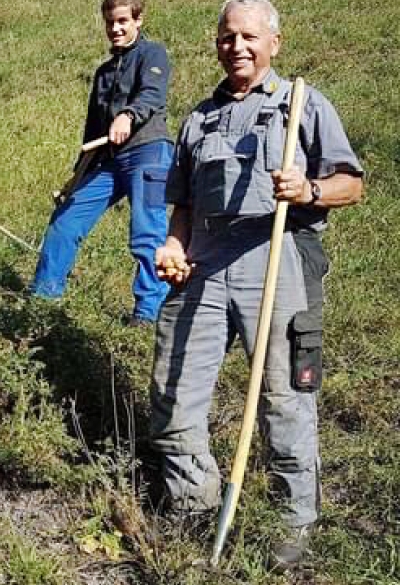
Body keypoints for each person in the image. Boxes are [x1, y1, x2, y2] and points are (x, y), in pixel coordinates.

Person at [147, 0, 363, 570]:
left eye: (248, 36)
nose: (236, 45)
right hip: (205, 263)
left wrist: (310, 190)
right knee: (173, 394)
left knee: (285, 402)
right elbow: (182, 207)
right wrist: (173, 245)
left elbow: (350, 183)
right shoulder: (198, 118)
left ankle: (291, 526)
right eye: (226, 35)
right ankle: (195, 509)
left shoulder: (301, 103)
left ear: (274, 43)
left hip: (278, 256)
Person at [30, 0, 173, 326]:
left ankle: (148, 314)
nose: (116, 29)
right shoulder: (104, 72)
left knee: (147, 232)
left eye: (123, 21)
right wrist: (77, 175)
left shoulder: (153, 55)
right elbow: (93, 129)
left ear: (138, 19)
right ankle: (42, 300)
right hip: (107, 160)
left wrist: (128, 114)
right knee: (64, 221)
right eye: (110, 22)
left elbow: (152, 95)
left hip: (148, 151)